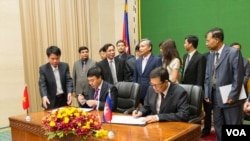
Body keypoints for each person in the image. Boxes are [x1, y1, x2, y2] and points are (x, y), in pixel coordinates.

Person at [204, 27, 244, 141]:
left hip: (230, 97)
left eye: (208, 40)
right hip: (215, 97)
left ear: (216, 39)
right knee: (218, 125)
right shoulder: (211, 55)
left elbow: (238, 76)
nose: (206, 43)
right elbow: (207, 76)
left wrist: (233, 95)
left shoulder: (233, 52)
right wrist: (207, 93)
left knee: (233, 128)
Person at [133, 39, 162, 105]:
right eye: (140, 47)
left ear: (149, 47)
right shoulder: (137, 61)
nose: (140, 48)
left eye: (143, 46)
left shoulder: (156, 60)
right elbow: (135, 77)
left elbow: (159, 76)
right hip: (139, 92)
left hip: (151, 91)